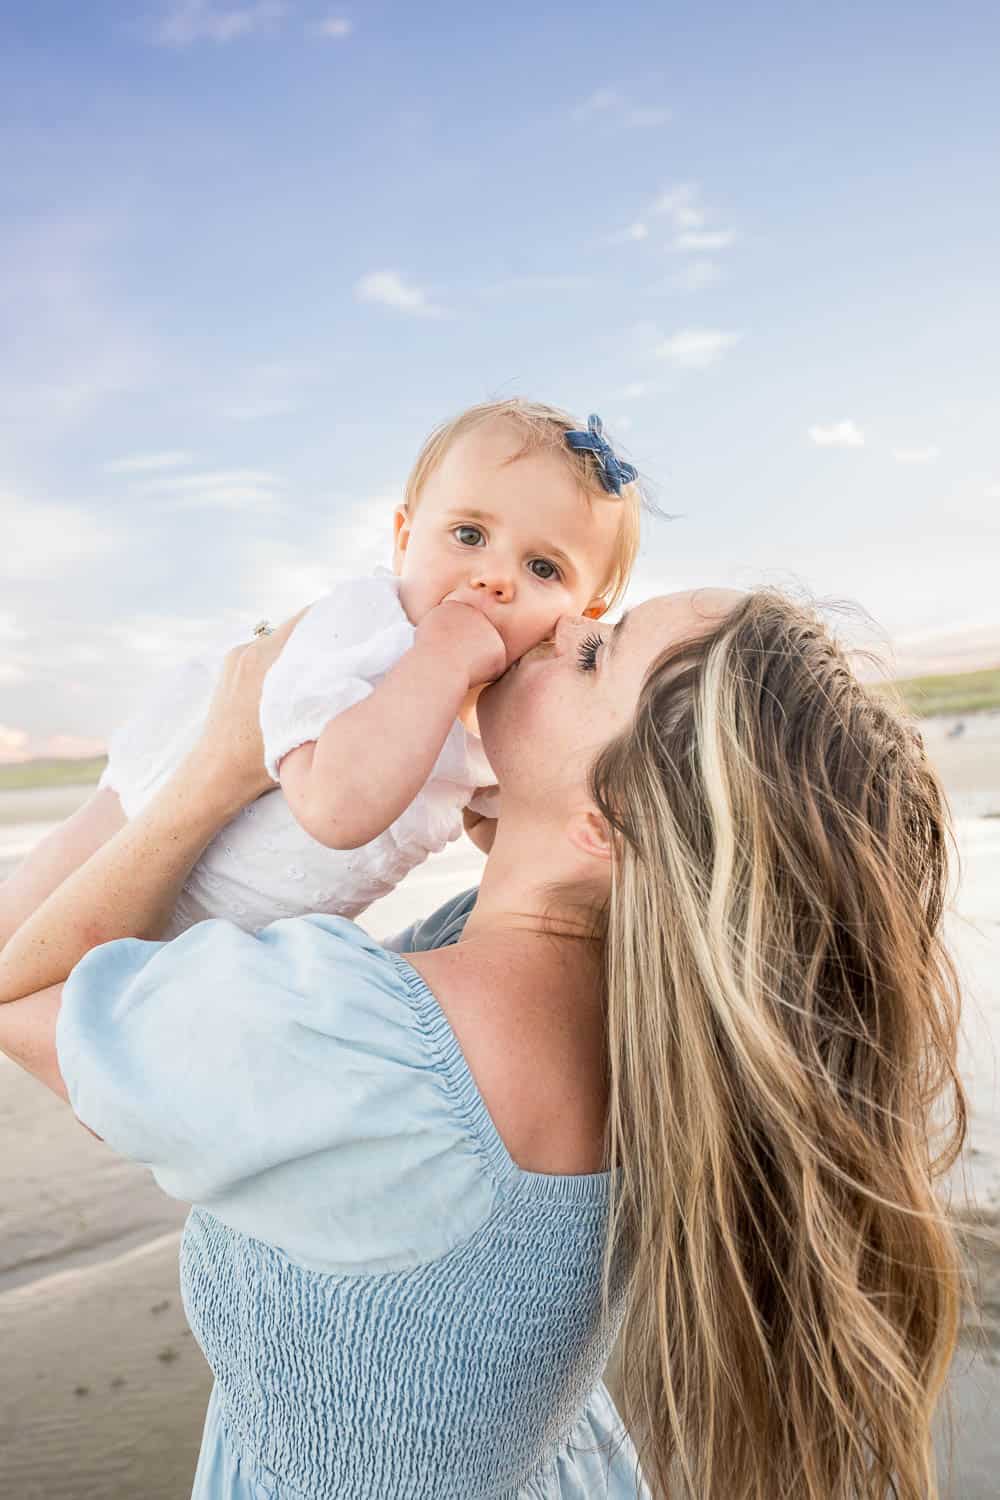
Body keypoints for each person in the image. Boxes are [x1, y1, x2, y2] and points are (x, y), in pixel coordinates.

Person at [0, 587, 971, 1499]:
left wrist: (207, 770)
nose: (556, 625)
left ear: (609, 825)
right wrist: (499, 841)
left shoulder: (370, 1048)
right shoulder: (664, 1019)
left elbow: (26, 991)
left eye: (595, 652)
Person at [0, 400, 641, 945]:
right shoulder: (366, 628)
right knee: (18, 929)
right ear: (403, 538)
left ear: (581, 618)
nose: (494, 577)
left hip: (220, 950)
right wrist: (440, 657)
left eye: (543, 569)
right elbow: (335, 807)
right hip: (141, 819)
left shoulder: (505, 725)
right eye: (469, 535)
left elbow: (521, 852)